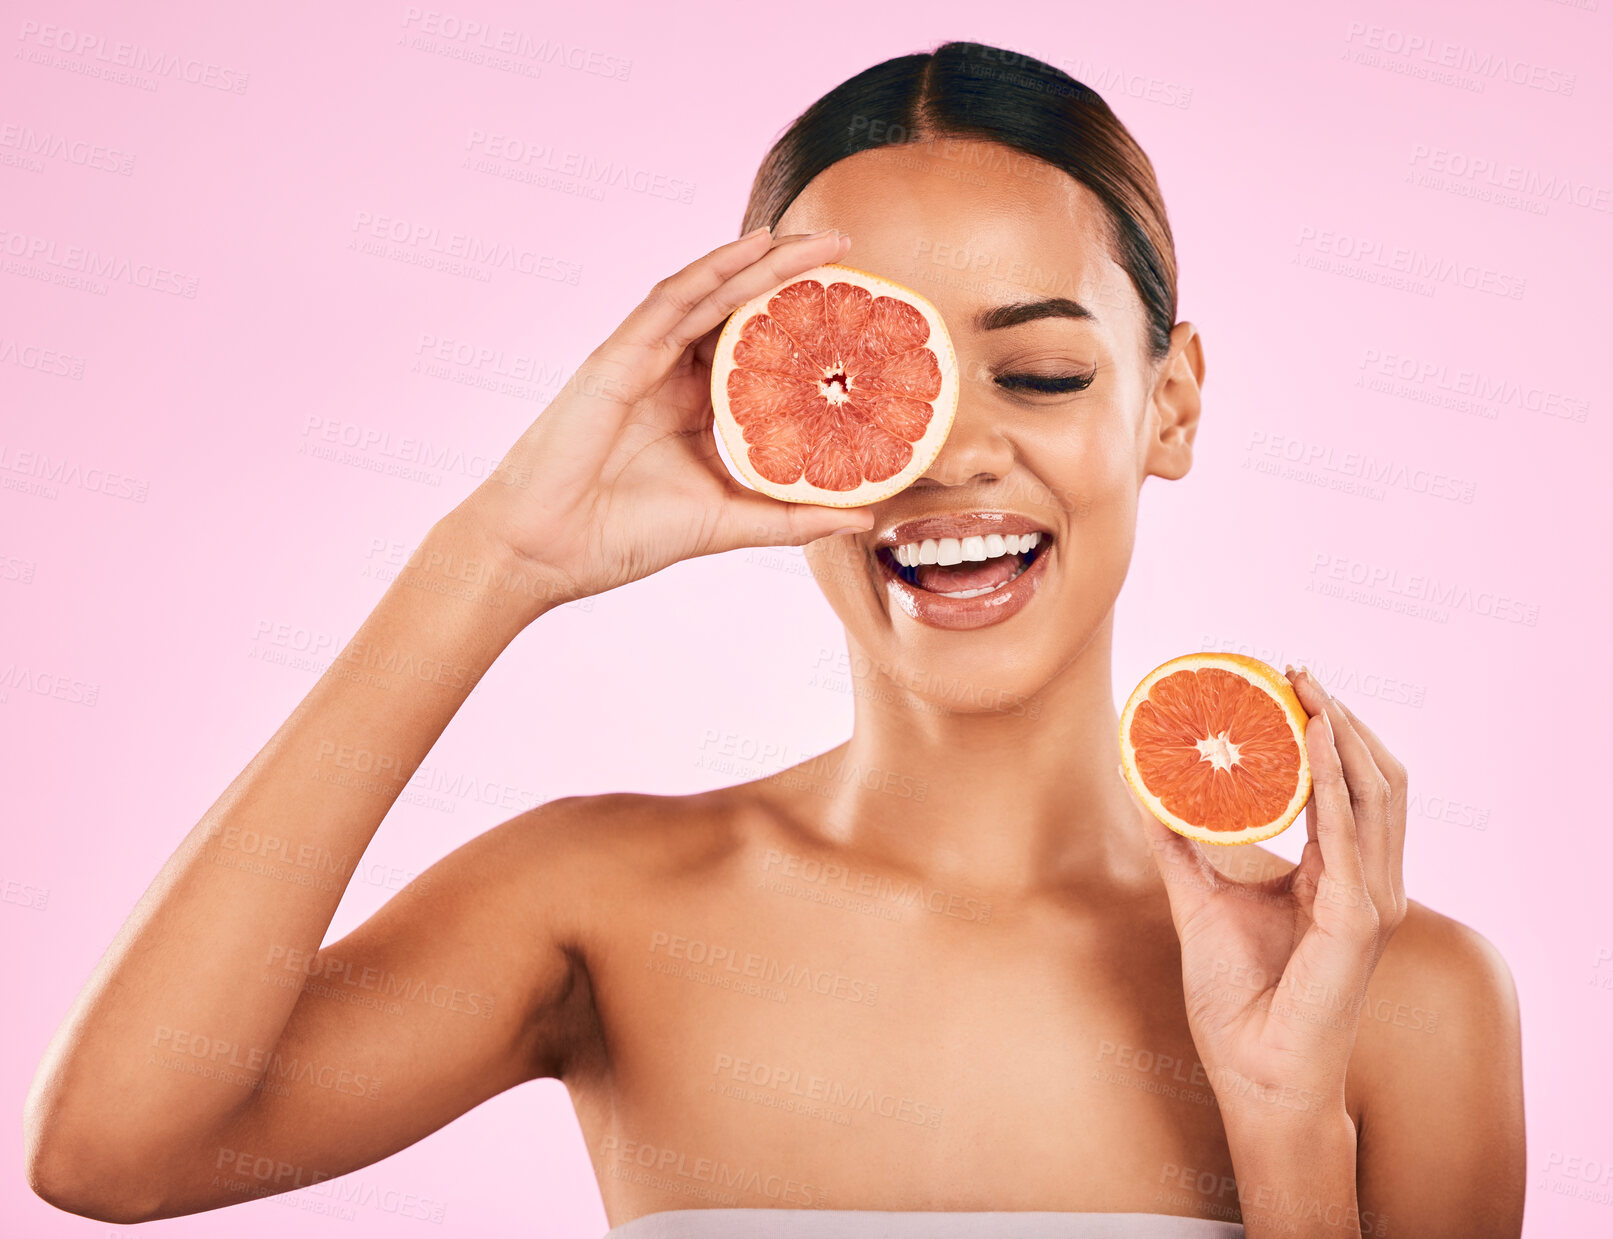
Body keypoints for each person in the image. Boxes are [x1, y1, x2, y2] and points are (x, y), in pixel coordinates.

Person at [24, 41, 1525, 1238]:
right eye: (874, 378)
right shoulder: (593, 906)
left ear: (1171, 404)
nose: (952, 454)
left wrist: (1279, 1124)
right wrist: (493, 556)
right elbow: (118, 1156)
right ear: (762, 404)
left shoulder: (1394, 995)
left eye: (1042, 371)